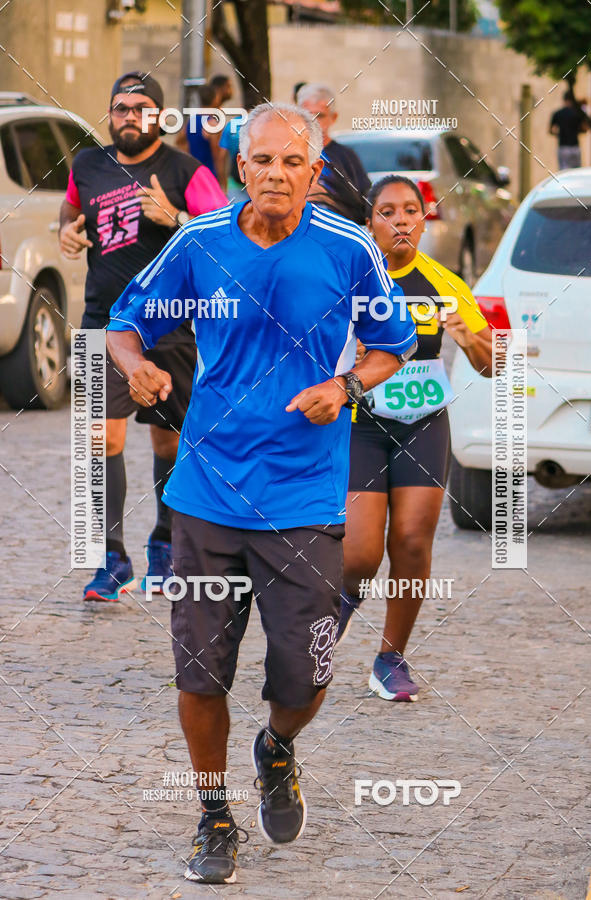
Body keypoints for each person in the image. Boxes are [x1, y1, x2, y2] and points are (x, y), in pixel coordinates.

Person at [106, 103, 417, 884]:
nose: (276, 174)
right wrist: (135, 365)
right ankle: (214, 818)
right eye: (262, 161)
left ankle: (276, 748)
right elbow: (123, 320)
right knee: (199, 674)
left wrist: (343, 386)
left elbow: (393, 346)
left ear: (315, 173)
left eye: (292, 163)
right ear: (241, 168)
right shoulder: (199, 242)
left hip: (304, 501)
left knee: (304, 676)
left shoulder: (348, 249)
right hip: (206, 494)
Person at [59, 71, 227, 601]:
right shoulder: (87, 163)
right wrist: (66, 227)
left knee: (168, 440)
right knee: (97, 441)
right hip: (100, 323)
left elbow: (226, 238)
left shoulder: (186, 170)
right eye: (120, 107)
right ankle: (111, 560)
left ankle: (163, 542)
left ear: (158, 114)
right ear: (110, 113)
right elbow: (71, 206)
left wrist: (174, 216)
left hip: (173, 324)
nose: (129, 116)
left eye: (141, 107)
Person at [337, 175, 493, 702]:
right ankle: (324, 623)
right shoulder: (348, 278)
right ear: (370, 222)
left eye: (412, 210)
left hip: (422, 421)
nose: (401, 220)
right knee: (358, 554)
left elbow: (491, 364)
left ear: (424, 220)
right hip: (361, 423)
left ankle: (390, 657)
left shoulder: (445, 282)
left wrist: (469, 337)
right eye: (388, 211)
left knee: (410, 540)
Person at [297, 82, 370, 224]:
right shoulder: (287, 154)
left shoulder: (346, 157)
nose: (313, 121)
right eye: (307, 115)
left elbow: (364, 202)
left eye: (320, 116)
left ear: (333, 117)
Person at [550, 91, 588, 170]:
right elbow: (585, 129)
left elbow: (551, 130)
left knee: (564, 172)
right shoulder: (577, 113)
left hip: (563, 146)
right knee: (576, 172)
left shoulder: (558, 113)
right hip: (575, 146)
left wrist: (559, 134)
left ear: (564, 100)